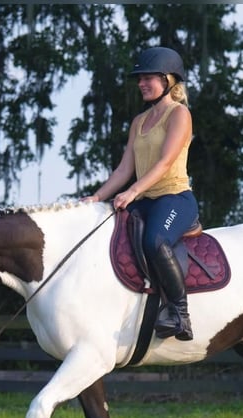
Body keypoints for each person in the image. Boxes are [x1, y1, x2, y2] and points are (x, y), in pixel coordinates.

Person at [85, 46, 198, 341]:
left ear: (169, 81)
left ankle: (179, 313)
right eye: (140, 79)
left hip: (174, 198)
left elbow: (164, 163)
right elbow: (124, 170)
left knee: (155, 240)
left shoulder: (179, 114)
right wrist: (97, 198)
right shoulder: (139, 121)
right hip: (145, 200)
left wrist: (132, 192)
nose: (141, 84)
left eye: (149, 78)